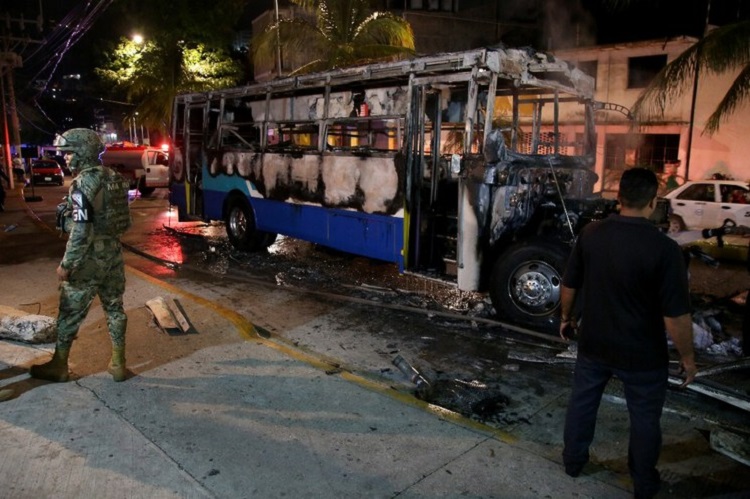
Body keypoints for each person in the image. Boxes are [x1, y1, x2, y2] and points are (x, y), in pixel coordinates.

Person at [558, 167, 697, 499]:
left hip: (595, 343)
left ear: (618, 197)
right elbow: (676, 315)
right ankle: (644, 483)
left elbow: (569, 283)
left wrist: (566, 318)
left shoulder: (591, 234)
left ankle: (573, 462)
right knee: (645, 418)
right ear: (653, 202)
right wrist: (688, 358)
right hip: (643, 353)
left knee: (582, 404)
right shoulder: (665, 249)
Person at [29, 128, 131, 383]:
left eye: (69, 153)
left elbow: (82, 228)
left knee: (69, 311)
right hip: (113, 253)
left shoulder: (83, 183)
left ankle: (59, 365)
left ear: (83, 152)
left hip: (89, 257)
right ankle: (118, 364)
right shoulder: (114, 177)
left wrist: (67, 263)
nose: (65, 158)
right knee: (114, 307)